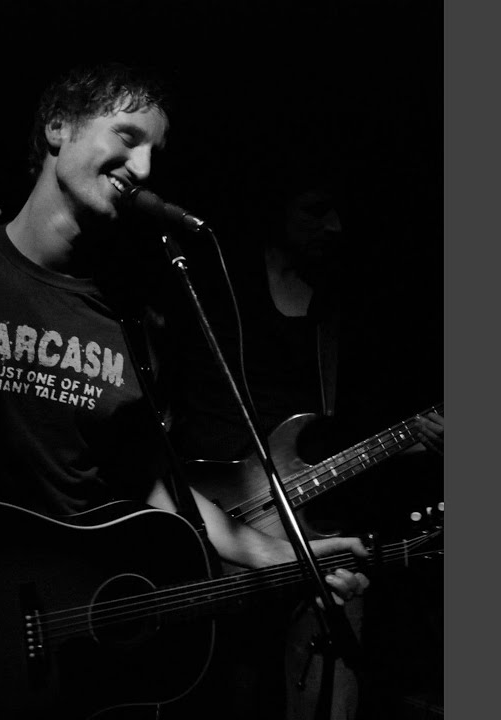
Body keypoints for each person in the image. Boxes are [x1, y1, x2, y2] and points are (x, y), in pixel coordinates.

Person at [0, 62, 371, 717]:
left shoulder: (124, 322)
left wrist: (287, 555)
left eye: (155, 153)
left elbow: (154, 486)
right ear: (58, 128)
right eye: (128, 136)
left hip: (69, 646)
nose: (142, 167)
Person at [161, 184, 444, 719]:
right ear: (277, 203)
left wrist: (419, 443)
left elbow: (356, 430)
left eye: (340, 211)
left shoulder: (349, 301)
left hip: (319, 524)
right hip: (213, 516)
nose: (334, 226)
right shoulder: (210, 277)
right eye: (316, 210)